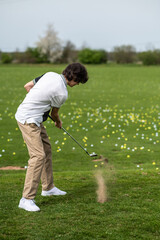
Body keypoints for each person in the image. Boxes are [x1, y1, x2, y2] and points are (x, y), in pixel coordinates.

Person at [15, 63, 88, 212]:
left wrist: (37, 102)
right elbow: (54, 114)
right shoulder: (62, 93)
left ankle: (48, 188)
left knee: (46, 150)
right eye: (78, 81)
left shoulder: (50, 74)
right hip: (28, 120)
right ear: (74, 78)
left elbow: (27, 86)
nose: (77, 84)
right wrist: (58, 121)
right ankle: (26, 199)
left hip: (34, 117)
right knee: (38, 156)